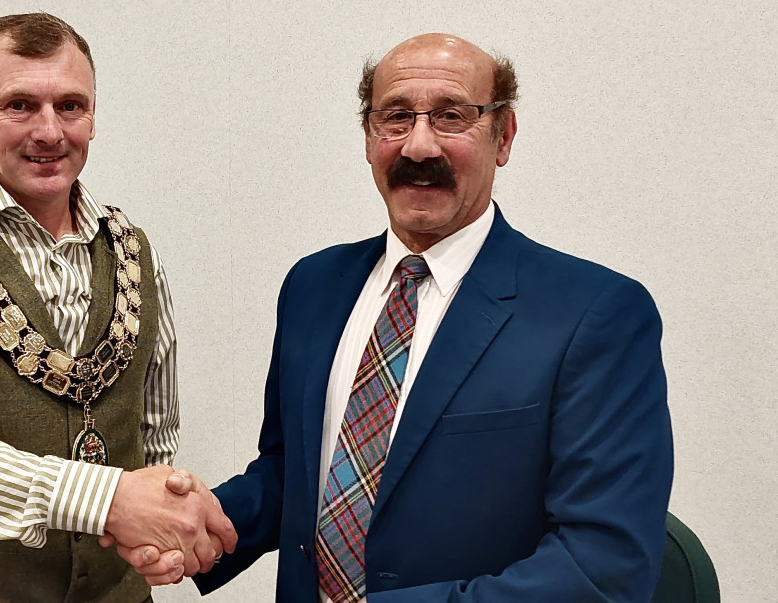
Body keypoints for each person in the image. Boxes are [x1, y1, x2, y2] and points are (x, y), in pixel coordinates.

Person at [121, 33, 674, 601]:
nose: (419, 147)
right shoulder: (313, 286)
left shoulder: (597, 313)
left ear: (503, 136)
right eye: (396, 117)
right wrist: (203, 522)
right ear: (367, 137)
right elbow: (295, 473)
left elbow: (602, 566)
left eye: (452, 116)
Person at [0, 12, 234, 603]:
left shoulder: (134, 250)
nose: (50, 132)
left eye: (71, 106)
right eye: (20, 105)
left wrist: (160, 522)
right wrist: (105, 500)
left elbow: (152, 434)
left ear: (93, 115)